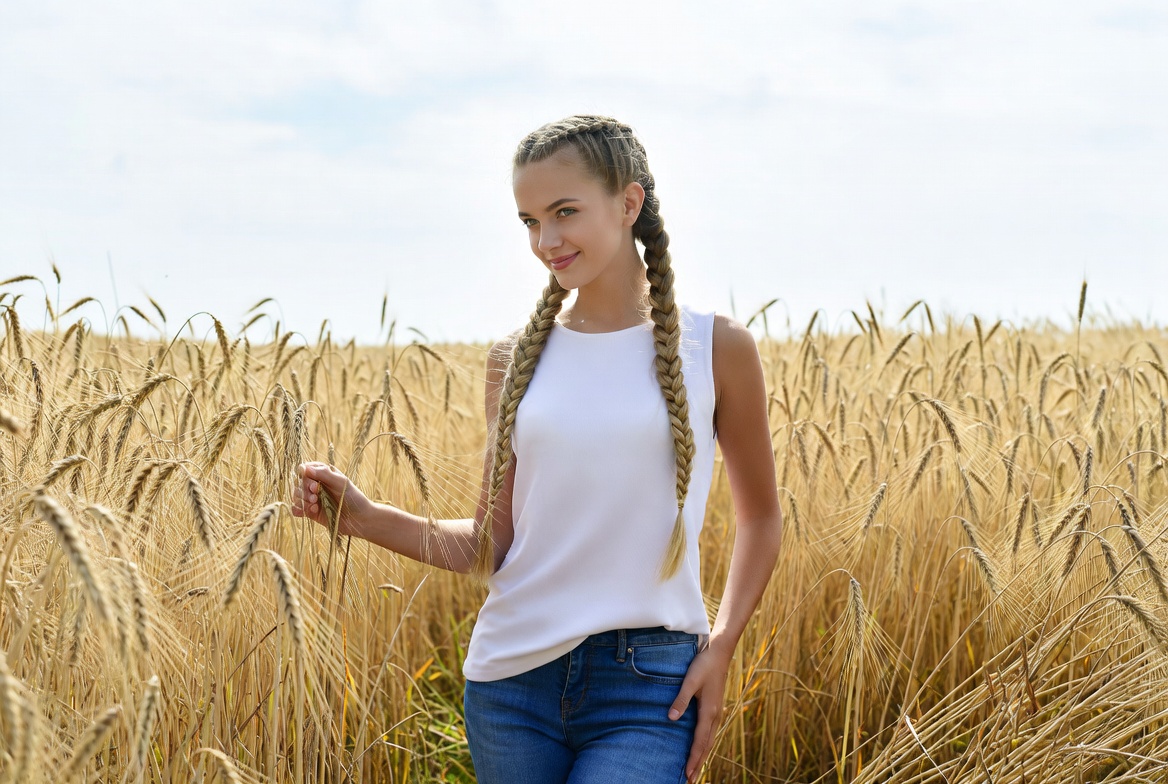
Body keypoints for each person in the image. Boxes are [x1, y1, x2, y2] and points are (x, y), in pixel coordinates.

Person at [292, 114, 783, 783]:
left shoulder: (718, 347)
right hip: (511, 683)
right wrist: (364, 517)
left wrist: (721, 647)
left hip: (649, 684)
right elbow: (490, 547)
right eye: (528, 220)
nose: (545, 240)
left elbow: (761, 517)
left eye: (564, 212)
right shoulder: (515, 360)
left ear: (628, 203)